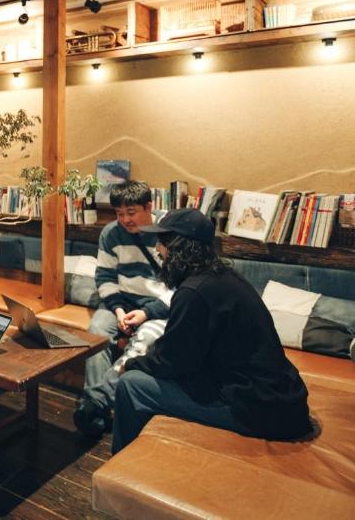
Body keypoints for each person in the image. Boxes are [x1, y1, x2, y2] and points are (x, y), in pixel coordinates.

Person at [112, 208, 312, 454]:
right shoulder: (223, 277)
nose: (158, 250)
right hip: (282, 400)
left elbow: (173, 361)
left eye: (162, 242)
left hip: (258, 409)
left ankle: (125, 463)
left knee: (131, 385)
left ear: (179, 247)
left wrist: (130, 365)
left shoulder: (194, 293)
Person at [74, 181, 172, 437]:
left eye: (131, 212)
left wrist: (147, 313)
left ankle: (95, 402)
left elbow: (180, 286)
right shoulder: (111, 233)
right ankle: (97, 409)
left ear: (149, 206)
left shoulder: (168, 230)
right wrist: (117, 310)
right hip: (122, 302)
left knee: (145, 338)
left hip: (159, 308)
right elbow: (104, 277)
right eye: (119, 214)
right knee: (96, 332)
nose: (125, 220)